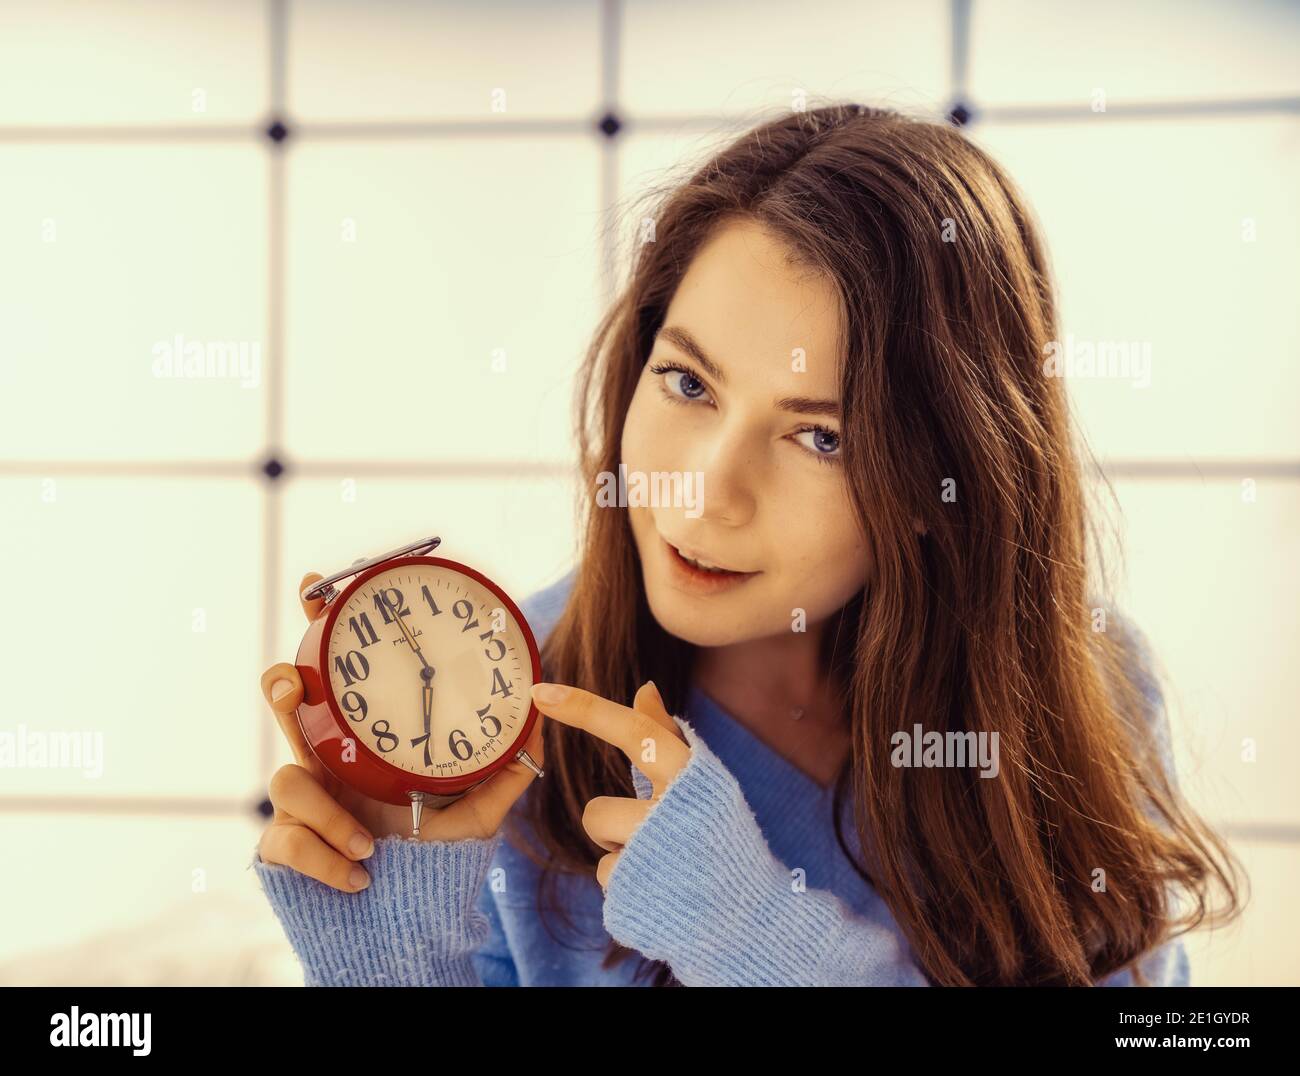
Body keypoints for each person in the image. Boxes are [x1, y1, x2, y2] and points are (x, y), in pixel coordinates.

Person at [251, 103, 1242, 987]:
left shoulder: (1090, 683)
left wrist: (761, 941)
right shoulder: (498, 720)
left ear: (944, 476)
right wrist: (391, 961)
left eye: (822, 437)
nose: (706, 491)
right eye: (687, 383)